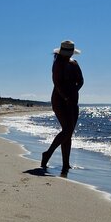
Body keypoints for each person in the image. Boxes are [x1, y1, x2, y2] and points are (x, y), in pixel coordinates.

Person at [41, 40, 84, 176]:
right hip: (59, 100)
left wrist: (74, 91)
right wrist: (66, 97)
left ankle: (66, 163)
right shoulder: (57, 64)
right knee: (67, 129)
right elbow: (57, 83)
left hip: (73, 101)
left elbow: (81, 80)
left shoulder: (74, 64)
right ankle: (48, 153)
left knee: (68, 132)